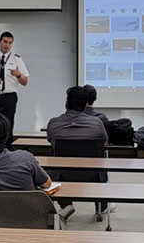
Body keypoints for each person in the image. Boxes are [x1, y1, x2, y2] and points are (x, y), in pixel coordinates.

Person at [47, 86, 113, 220]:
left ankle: (65, 204)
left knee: (53, 157)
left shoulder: (53, 124)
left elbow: (51, 141)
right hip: (93, 175)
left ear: (66, 103)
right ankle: (102, 206)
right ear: (85, 105)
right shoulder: (97, 124)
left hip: (62, 176)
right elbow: (105, 143)